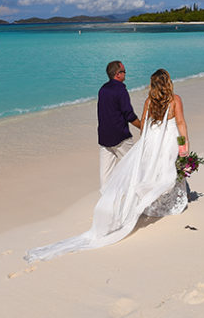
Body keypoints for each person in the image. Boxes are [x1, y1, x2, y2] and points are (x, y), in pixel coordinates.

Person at [25, 68, 190, 262]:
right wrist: (183, 143)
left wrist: (146, 142)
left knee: (151, 172)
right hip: (168, 138)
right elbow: (180, 123)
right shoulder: (175, 100)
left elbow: (145, 124)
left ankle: (151, 205)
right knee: (167, 170)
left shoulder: (149, 101)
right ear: (168, 82)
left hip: (151, 139)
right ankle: (166, 205)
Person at [97, 61, 141, 188]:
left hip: (104, 136)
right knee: (134, 166)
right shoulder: (121, 90)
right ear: (118, 74)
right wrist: (142, 126)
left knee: (105, 175)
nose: (125, 73)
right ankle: (136, 197)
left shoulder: (102, 89)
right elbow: (129, 115)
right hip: (120, 136)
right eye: (124, 71)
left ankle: (106, 202)